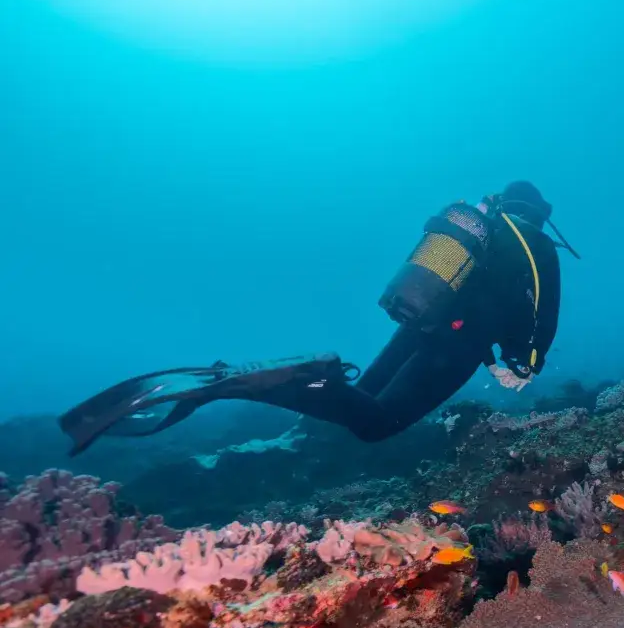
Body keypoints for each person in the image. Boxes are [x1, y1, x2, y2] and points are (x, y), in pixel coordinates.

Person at [59, 181, 578, 455]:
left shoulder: (480, 230)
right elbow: (542, 306)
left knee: (361, 405)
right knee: (378, 425)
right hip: (459, 340)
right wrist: (524, 362)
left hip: (418, 325)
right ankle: (301, 376)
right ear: (538, 210)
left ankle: (246, 381)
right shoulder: (530, 239)